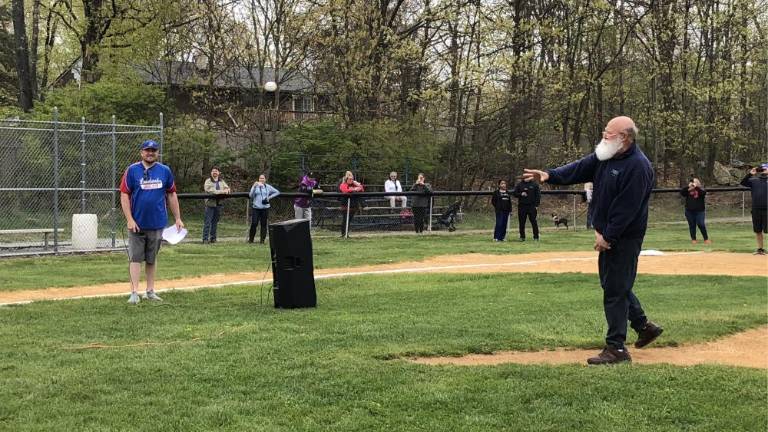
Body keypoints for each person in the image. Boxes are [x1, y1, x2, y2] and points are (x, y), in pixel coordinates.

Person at [523, 116, 663, 365]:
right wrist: (549, 175)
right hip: (607, 233)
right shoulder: (606, 155)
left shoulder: (638, 167)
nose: (603, 135)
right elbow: (580, 167)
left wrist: (608, 236)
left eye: (608, 133)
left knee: (614, 290)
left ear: (625, 138)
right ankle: (644, 326)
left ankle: (616, 349)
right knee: (614, 284)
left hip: (624, 237)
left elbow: (627, 208)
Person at [119, 139, 184, 305]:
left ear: (157, 153)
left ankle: (150, 290)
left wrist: (177, 217)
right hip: (137, 223)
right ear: (141, 152)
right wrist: (129, 219)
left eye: (153, 150)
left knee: (151, 259)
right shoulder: (132, 170)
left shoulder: (165, 171)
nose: (150, 153)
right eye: (147, 150)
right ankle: (134, 292)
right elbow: (124, 195)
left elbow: (171, 194)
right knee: (135, 258)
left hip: (157, 223)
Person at [740, 163, 768, 255]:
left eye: (765, 169)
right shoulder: (754, 180)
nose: (763, 170)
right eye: (762, 169)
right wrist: (750, 173)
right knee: (758, 230)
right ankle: (760, 249)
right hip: (756, 209)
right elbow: (743, 183)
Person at [248, 174, 280, 244]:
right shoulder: (255, 186)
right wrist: (253, 186)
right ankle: (251, 240)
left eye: (263, 178)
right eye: (260, 178)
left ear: (265, 180)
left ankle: (262, 241)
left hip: (265, 208)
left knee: (263, 224)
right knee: (254, 223)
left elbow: (277, 192)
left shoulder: (268, 187)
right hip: (256, 208)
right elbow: (250, 195)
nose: (261, 180)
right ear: (258, 179)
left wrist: (269, 198)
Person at [202, 167, 230, 244]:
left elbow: (227, 188)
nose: (214, 172)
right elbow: (210, 190)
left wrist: (227, 190)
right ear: (211, 173)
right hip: (210, 204)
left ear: (219, 173)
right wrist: (222, 191)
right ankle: (205, 239)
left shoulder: (221, 181)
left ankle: (213, 238)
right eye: (213, 171)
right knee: (207, 222)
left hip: (218, 204)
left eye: (216, 171)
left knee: (215, 222)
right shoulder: (208, 181)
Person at [680, 177, 710, 245]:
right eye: (692, 182)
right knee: (692, 225)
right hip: (689, 211)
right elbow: (682, 193)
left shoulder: (701, 189)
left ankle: (706, 239)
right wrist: (688, 186)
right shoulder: (688, 190)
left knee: (701, 224)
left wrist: (696, 187)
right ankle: (693, 239)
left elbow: (703, 193)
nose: (693, 183)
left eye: (695, 182)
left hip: (700, 211)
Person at [513, 176, 541, 241]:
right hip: (522, 206)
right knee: (522, 222)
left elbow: (538, 195)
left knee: (534, 222)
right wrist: (521, 194)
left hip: (532, 206)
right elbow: (514, 194)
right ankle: (522, 237)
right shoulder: (519, 185)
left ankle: (536, 237)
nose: (528, 178)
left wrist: (536, 205)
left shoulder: (534, 184)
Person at [339, 171, 364, 237]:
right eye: (350, 179)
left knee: (349, 220)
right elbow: (344, 190)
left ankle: (346, 233)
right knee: (345, 219)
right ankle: (343, 233)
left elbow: (361, 189)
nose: (351, 180)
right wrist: (354, 189)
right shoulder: (343, 184)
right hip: (345, 204)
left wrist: (358, 185)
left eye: (352, 179)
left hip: (353, 205)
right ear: (346, 179)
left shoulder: (354, 184)